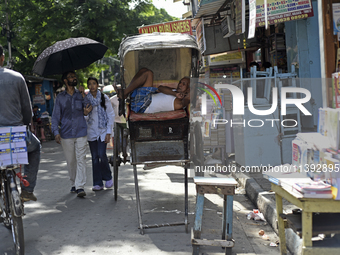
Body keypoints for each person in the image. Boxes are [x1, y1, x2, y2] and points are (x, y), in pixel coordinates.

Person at [0, 44, 41, 202]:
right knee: (35, 147)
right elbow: (27, 109)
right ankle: (27, 189)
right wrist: (25, 127)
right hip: (15, 134)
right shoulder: (17, 77)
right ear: (3, 58)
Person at [51, 71, 89, 197]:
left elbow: (89, 107)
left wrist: (84, 95)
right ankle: (74, 183)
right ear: (65, 81)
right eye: (71, 77)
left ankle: (80, 186)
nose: (74, 78)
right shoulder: (60, 98)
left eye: (74, 76)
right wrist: (56, 132)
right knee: (71, 161)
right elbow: (56, 116)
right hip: (66, 133)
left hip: (81, 131)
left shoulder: (81, 94)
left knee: (81, 159)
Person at [84, 77, 114, 191]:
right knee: (94, 158)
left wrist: (108, 132)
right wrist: (86, 114)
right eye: (90, 84)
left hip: (103, 131)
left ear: (97, 85)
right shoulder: (86, 99)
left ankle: (108, 177)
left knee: (102, 154)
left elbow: (110, 114)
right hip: (91, 131)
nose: (92, 86)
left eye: (94, 83)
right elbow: (84, 117)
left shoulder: (104, 98)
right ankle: (97, 183)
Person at [114, 68, 190, 114]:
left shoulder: (181, 102)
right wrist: (175, 93)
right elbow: (160, 88)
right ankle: (125, 93)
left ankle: (124, 93)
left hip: (144, 105)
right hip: (145, 98)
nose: (180, 84)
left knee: (148, 73)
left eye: (184, 84)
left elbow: (188, 98)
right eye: (180, 82)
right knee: (143, 70)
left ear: (188, 89)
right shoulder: (174, 91)